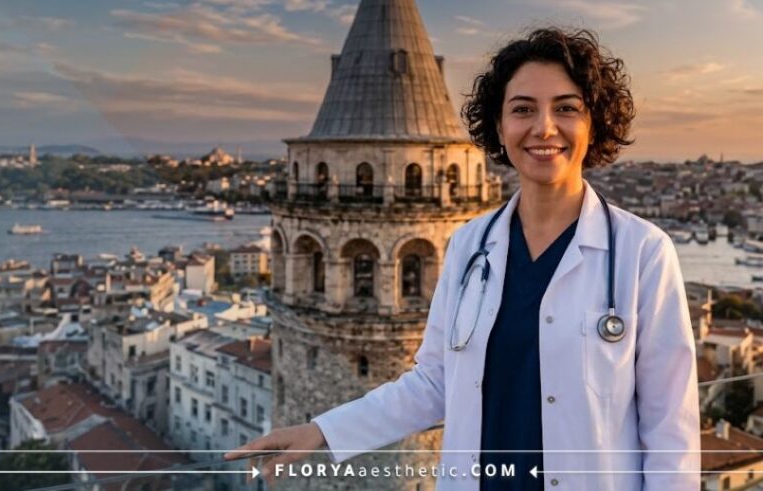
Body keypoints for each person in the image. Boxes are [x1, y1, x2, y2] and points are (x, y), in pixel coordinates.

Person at [227, 27, 701, 490]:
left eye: (566, 108)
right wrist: (325, 431)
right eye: (523, 109)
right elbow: (436, 382)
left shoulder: (642, 252)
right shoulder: (469, 245)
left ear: (594, 122)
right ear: (499, 126)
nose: (544, 127)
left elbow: (670, 431)